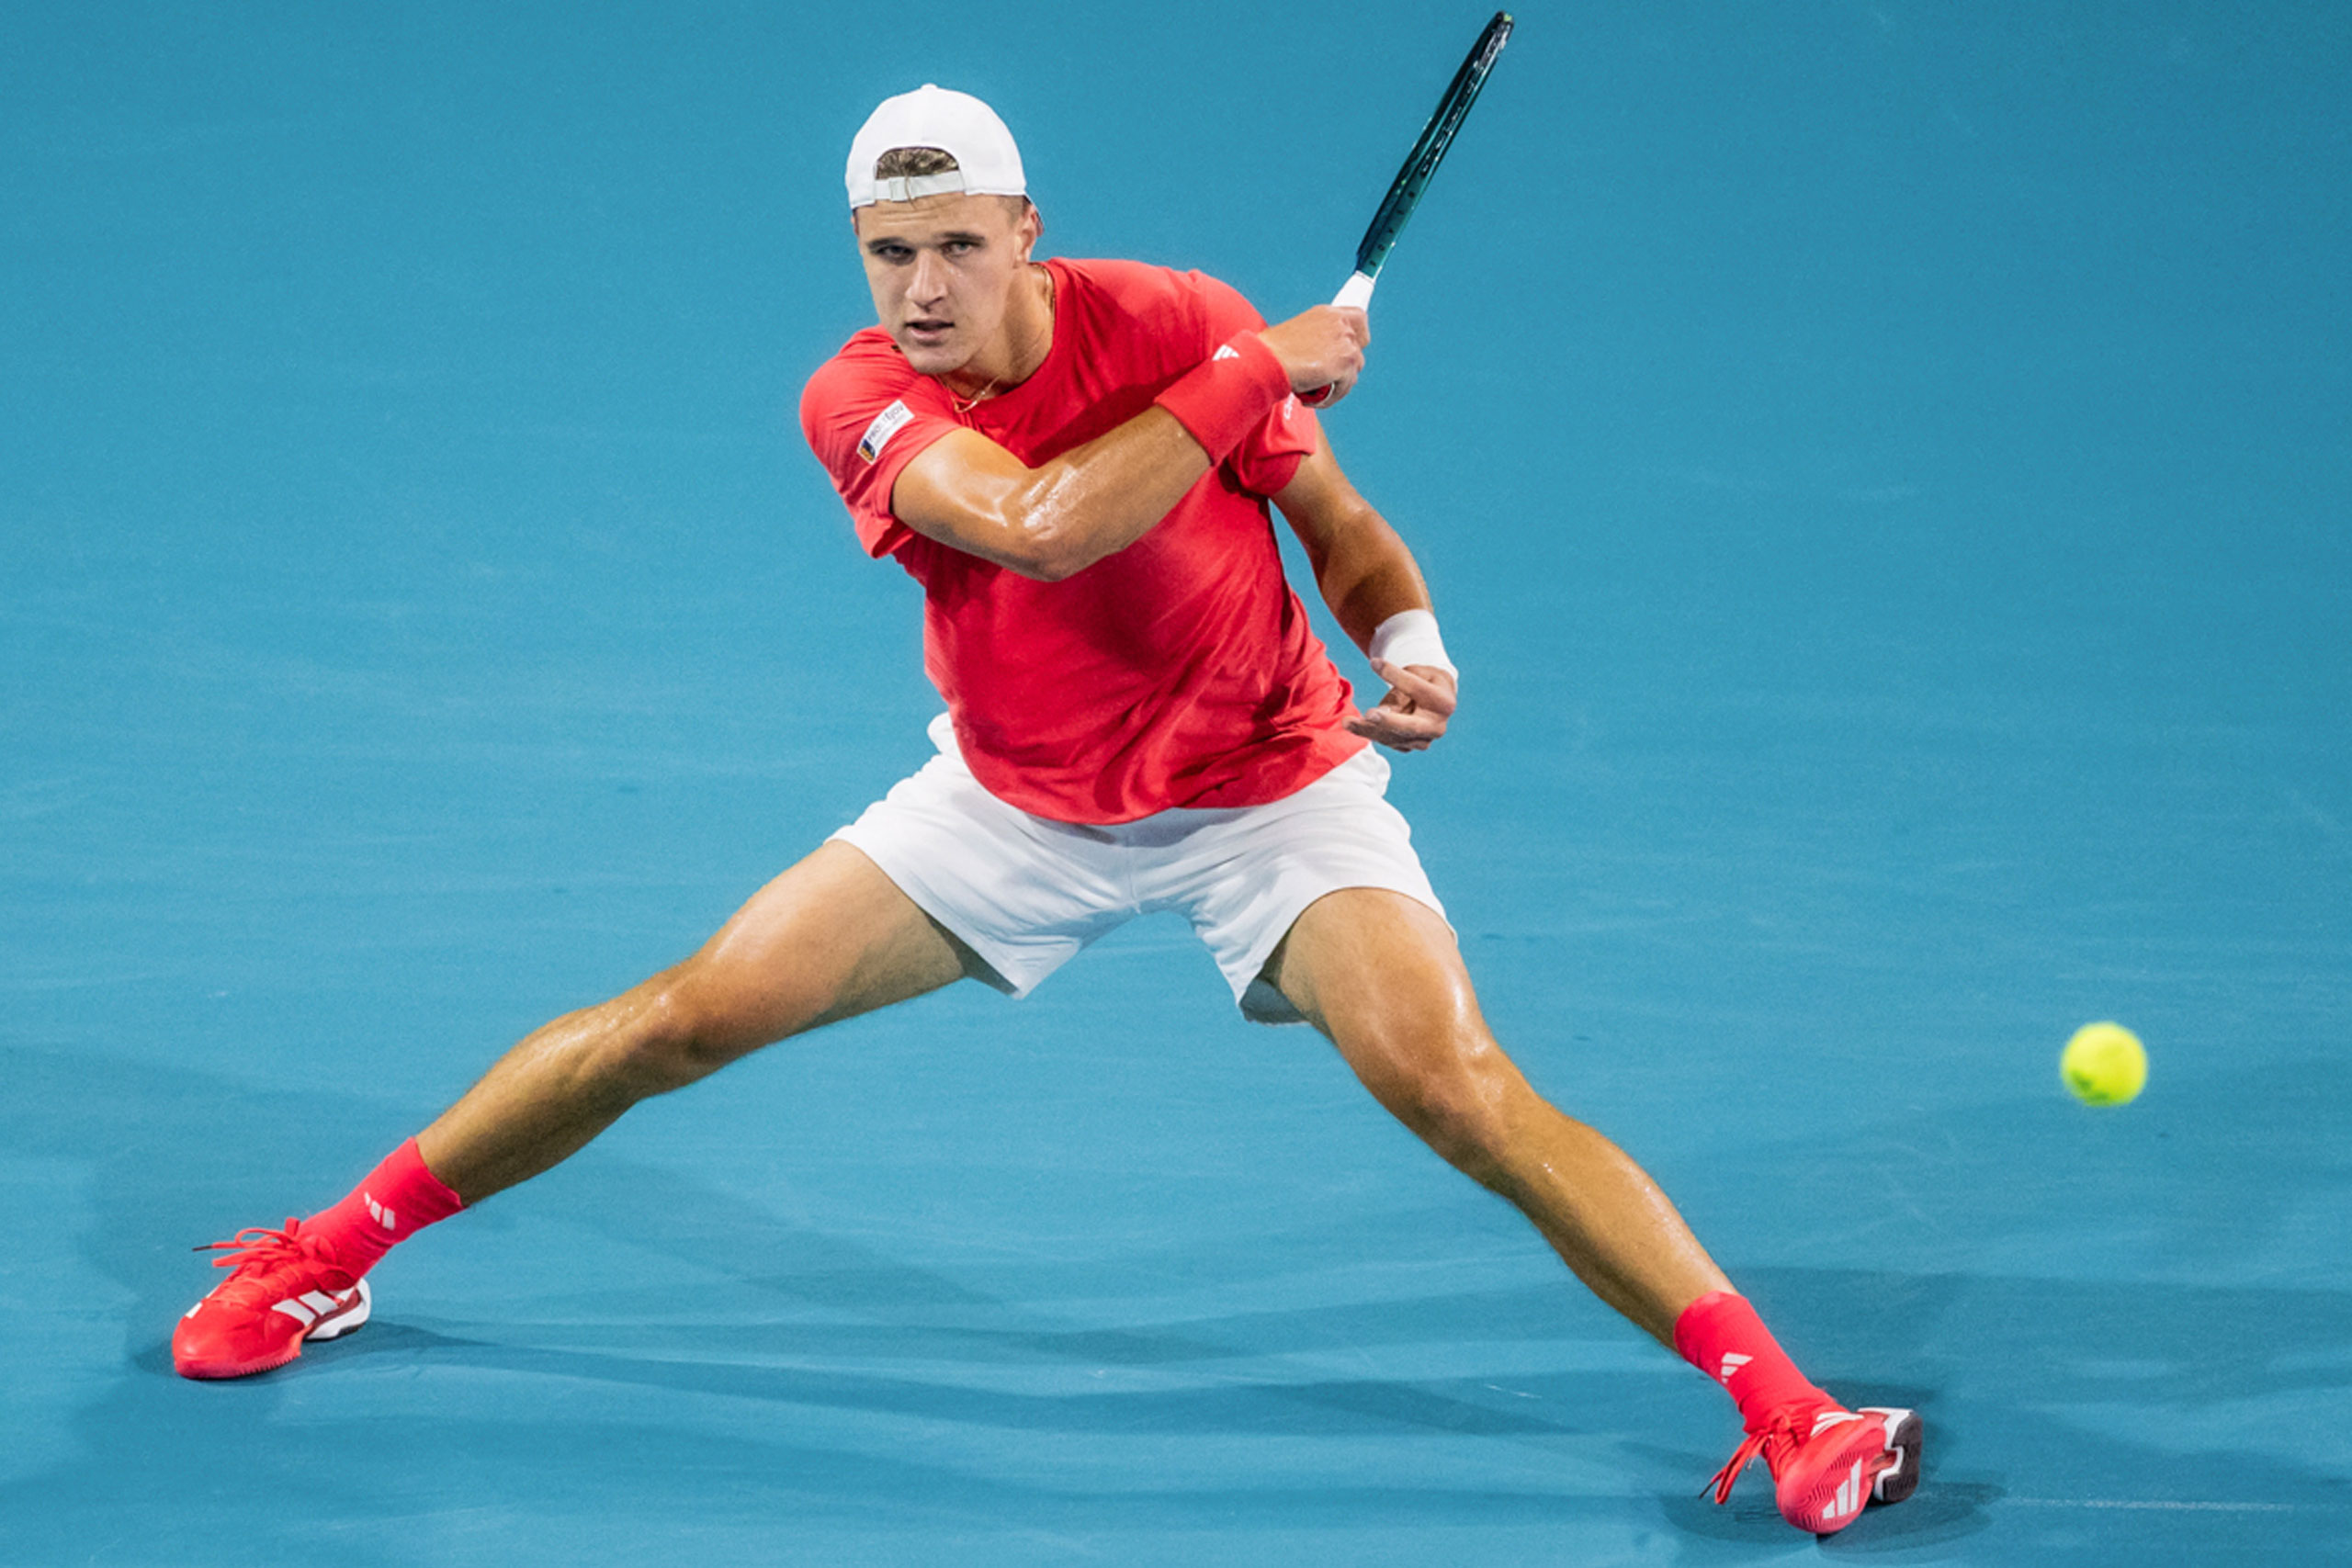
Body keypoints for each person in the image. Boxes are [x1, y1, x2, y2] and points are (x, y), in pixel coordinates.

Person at [174, 84, 1921, 1537]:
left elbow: (1350, 539)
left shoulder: (1165, 316)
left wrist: (1414, 642)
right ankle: (329, 1256)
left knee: (1459, 1092)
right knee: (681, 1020)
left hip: (1270, 792)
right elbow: (1039, 526)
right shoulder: (864, 395)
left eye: (954, 244)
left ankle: (1791, 1416)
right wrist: (1248, 373)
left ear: (1028, 231)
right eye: (887, 253)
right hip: (1011, 808)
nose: (920, 287)